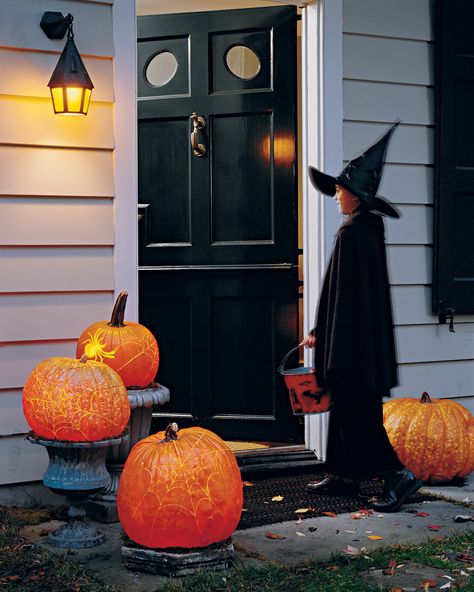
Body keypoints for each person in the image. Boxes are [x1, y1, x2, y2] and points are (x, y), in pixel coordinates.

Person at [304, 121, 422, 512]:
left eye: (340, 190)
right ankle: (344, 474)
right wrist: (325, 330)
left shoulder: (352, 233)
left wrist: (326, 335)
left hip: (351, 344)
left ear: (356, 196)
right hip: (361, 341)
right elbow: (346, 296)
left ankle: (397, 476)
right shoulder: (368, 230)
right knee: (350, 406)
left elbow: (341, 297)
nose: (336, 195)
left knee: (358, 412)